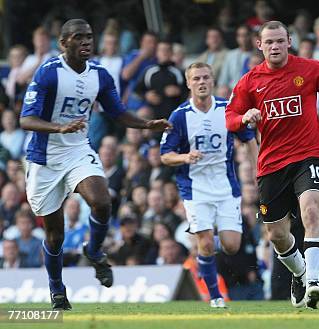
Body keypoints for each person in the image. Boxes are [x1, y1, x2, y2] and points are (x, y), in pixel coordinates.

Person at [19, 19, 171, 310]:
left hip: (77, 150)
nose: (87, 42)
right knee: (55, 235)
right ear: (63, 43)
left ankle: (95, 250)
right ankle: (57, 290)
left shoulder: (100, 74)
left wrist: (146, 124)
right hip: (45, 158)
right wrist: (58, 128)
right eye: (79, 37)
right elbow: (26, 119)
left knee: (102, 201)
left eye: (89, 36)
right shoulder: (49, 73)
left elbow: (118, 112)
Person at [225, 21, 319, 309]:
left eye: (280, 41)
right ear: (260, 45)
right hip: (271, 165)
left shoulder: (311, 69)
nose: (275, 46)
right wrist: (244, 118)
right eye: (269, 42)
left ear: (289, 41)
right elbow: (229, 116)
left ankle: (314, 284)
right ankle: (301, 274)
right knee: (277, 235)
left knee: (311, 211)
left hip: (310, 155)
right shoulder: (249, 81)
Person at [161, 62, 258, 308]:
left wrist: (259, 170)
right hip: (195, 189)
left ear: (213, 80)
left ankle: (204, 237)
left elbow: (248, 139)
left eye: (206, 77)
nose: (202, 82)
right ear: (188, 83)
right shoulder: (180, 115)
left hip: (226, 187)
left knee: (231, 245)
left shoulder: (227, 109)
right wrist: (184, 157)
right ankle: (215, 296)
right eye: (196, 79)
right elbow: (165, 155)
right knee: (204, 242)